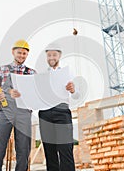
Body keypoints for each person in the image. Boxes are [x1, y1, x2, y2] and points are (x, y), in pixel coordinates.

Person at [0, 39, 36, 171]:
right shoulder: (2, 70)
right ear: (13, 52)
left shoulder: (32, 73)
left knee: (23, 150)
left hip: (24, 113)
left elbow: (37, 94)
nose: (21, 55)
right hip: (4, 112)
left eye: (24, 53)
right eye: (19, 52)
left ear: (27, 55)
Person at [38, 43, 78, 171]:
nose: (51, 57)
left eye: (54, 55)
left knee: (65, 149)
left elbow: (77, 95)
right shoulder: (41, 75)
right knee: (50, 152)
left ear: (59, 55)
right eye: (49, 55)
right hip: (44, 112)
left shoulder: (67, 72)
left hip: (62, 111)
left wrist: (73, 90)